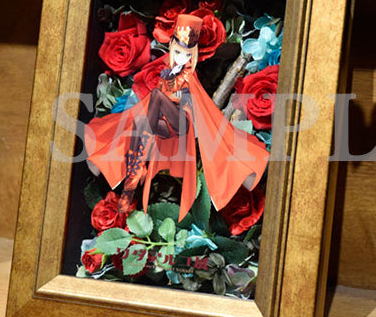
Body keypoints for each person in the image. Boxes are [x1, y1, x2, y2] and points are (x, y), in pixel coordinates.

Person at [85, 14, 269, 221]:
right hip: (164, 125)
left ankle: (134, 170)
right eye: (178, 52)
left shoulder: (188, 77)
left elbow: (193, 103)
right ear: (171, 48)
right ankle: (129, 174)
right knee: (132, 129)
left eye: (187, 54)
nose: (181, 58)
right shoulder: (169, 73)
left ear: (193, 55)